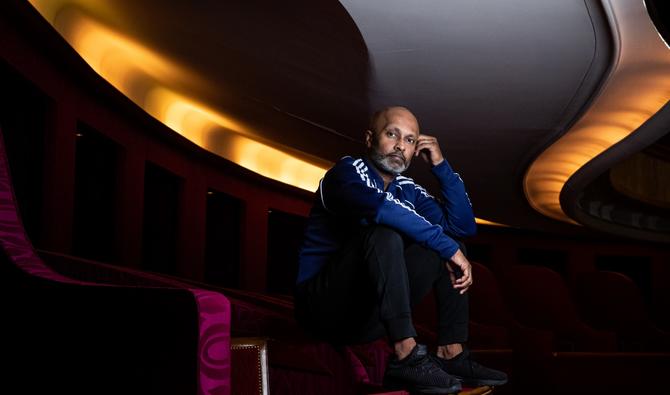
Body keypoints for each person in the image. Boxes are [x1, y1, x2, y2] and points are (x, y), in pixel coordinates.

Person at [294, 106, 508, 393]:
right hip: (322, 310)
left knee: (452, 244)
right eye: (392, 134)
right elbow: (382, 210)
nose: (400, 145)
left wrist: (440, 166)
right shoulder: (346, 173)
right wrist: (444, 246)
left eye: (409, 140)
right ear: (370, 138)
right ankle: (406, 355)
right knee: (384, 233)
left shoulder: (409, 189)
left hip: (368, 316)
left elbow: (462, 227)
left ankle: (451, 352)